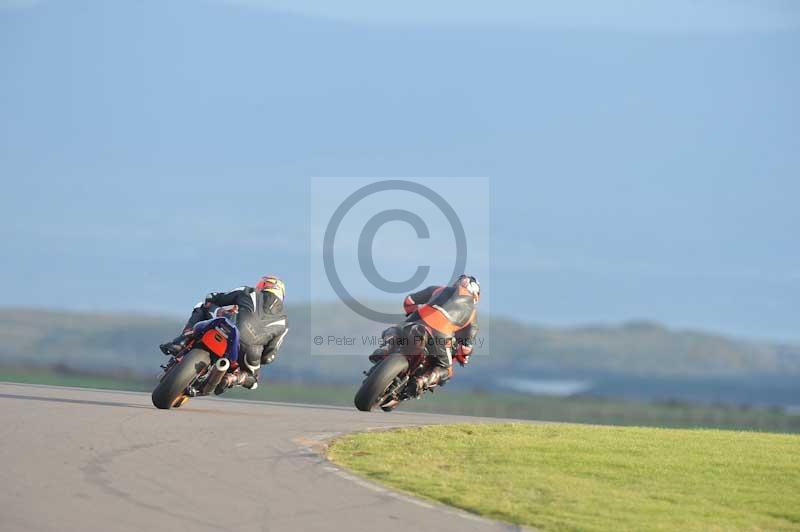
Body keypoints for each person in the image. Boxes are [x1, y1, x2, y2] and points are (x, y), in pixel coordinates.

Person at [160, 275, 288, 391]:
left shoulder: (248, 291)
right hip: (249, 352)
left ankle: (181, 341)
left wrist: (226, 308)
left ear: (262, 286)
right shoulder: (284, 322)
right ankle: (234, 378)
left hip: (228, 328)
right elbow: (268, 357)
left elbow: (212, 297)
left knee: (202, 305)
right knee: (253, 380)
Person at [371, 274, 480, 394]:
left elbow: (409, 301)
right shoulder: (472, 313)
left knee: (395, 330)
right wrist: (463, 357)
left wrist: (412, 314)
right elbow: (466, 346)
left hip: (416, 322)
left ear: (457, 283)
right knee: (447, 371)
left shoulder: (439, 289)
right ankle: (424, 380)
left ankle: (386, 349)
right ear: (476, 294)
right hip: (441, 336)